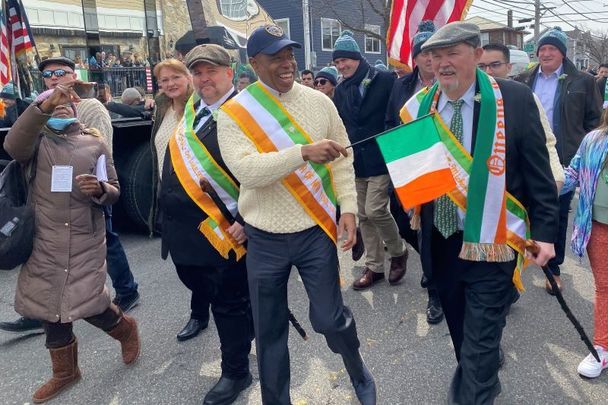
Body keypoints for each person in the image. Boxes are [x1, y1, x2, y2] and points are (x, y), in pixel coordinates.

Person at [217, 24, 376, 405]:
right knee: (269, 331)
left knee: (328, 319)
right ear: (254, 63)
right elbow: (247, 171)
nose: (287, 63)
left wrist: (349, 209)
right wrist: (302, 152)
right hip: (264, 237)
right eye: (276, 57)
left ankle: (356, 367)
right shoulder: (235, 113)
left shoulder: (320, 102)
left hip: (313, 231)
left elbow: (343, 158)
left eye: (290, 54)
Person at [402, 22, 559, 403]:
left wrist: (547, 233)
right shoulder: (418, 107)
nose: (442, 64)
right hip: (441, 242)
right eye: (435, 56)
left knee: (480, 339)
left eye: (452, 53)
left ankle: (477, 389)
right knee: (461, 332)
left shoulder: (515, 99)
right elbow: (412, 184)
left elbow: (539, 173)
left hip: (494, 240)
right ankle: (480, 374)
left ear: (476, 55)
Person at [3, 83, 140, 404]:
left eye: (66, 104)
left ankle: (125, 329)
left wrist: (101, 189)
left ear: (76, 110)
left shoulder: (94, 143)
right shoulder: (35, 144)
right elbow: (12, 143)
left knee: (90, 305)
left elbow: (115, 189)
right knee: (50, 309)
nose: (61, 107)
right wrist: (45, 104)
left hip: (84, 238)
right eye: (52, 105)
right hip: (43, 241)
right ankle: (65, 373)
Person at [158, 44, 254, 404]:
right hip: (185, 234)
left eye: (210, 71)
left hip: (224, 231)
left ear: (230, 71)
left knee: (228, 304)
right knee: (215, 297)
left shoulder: (247, 113)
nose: (203, 78)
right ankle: (251, 328)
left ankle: (236, 373)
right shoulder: (191, 112)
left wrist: (245, 220)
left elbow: (261, 175)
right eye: (197, 72)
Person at [515, 27, 602, 294]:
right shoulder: (525, 79)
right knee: (522, 209)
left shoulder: (582, 82)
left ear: (562, 53)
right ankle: (519, 264)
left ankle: (553, 270)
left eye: (552, 49)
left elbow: (594, 120)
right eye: (542, 49)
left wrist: (582, 150)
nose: (546, 53)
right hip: (527, 157)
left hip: (563, 159)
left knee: (557, 213)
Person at [333, 30, 408, 290]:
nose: (342, 66)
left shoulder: (384, 79)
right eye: (337, 62)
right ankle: (374, 267)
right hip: (355, 161)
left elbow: (397, 114)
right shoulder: (341, 90)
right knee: (362, 215)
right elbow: (341, 124)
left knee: (375, 209)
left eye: (345, 59)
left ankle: (398, 252)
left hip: (381, 157)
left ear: (357, 57)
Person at [385, 20, 444, 325]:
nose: (430, 60)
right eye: (424, 53)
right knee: (404, 220)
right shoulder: (401, 86)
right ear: (416, 57)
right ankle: (428, 260)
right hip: (408, 165)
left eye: (435, 53)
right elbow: (389, 122)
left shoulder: (450, 85)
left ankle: (435, 292)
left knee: (435, 232)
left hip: (442, 168)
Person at [148, 58, 210, 341]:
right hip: (168, 196)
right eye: (164, 80)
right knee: (182, 263)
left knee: (200, 260)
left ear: (188, 78)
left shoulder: (199, 109)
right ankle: (205, 303)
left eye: (176, 77)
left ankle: (201, 313)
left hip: (197, 197)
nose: (170, 84)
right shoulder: (161, 109)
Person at [560, 110, 608, 378]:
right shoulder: (593, 140)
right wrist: (545, 182)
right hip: (598, 227)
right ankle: (602, 347)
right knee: (604, 287)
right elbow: (573, 174)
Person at [480, 43, 564, 189]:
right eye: (481, 66)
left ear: (509, 67)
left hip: (513, 186)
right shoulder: (468, 99)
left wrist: (556, 180)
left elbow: (546, 142)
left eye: (495, 65)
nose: (488, 71)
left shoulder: (523, 97)